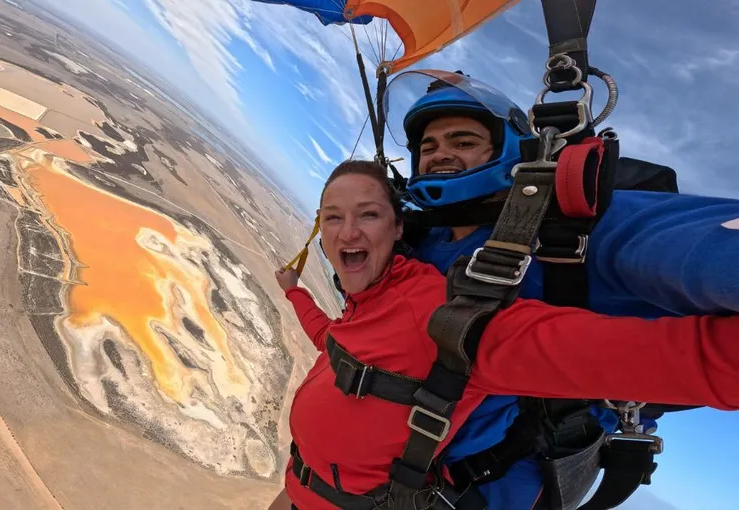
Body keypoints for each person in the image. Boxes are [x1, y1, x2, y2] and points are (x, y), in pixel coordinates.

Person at [269, 159, 739, 510]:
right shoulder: (366, 300)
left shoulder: (456, 321)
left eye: (367, 214)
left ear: (397, 226)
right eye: (332, 217)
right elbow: (331, 341)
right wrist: (295, 295)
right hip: (296, 490)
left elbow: (688, 362)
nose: (346, 230)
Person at [391, 70, 739, 508]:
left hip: (478, 489)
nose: (440, 154)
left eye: (463, 142)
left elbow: (699, 249)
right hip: (378, 469)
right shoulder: (419, 237)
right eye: (429, 146)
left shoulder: (573, 233)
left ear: (507, 148)